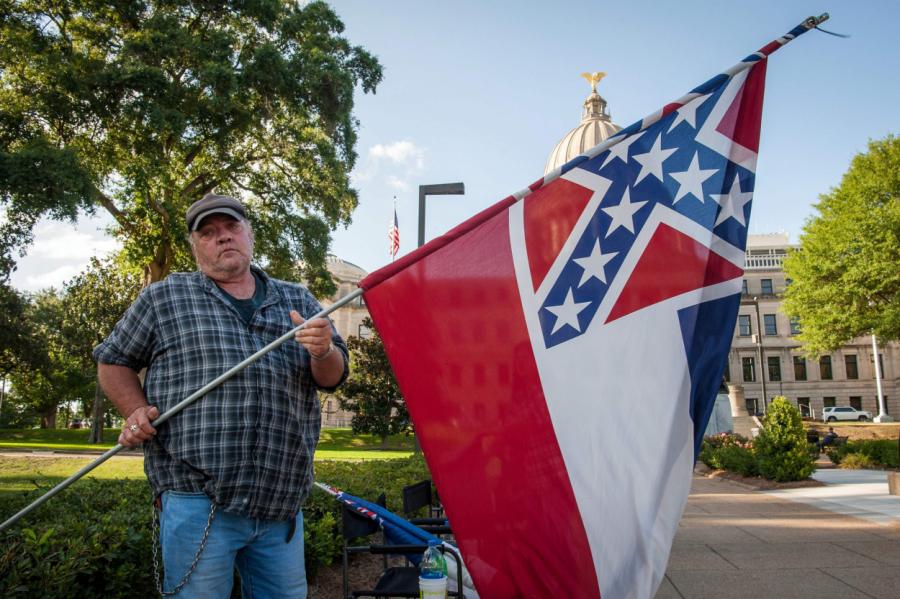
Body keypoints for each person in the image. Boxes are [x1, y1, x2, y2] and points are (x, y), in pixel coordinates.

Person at [94, 193, 348, 598]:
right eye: (209, 233)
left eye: (232, 228)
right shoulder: (166, 297)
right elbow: (113, 360)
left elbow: (332, 378)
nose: (223, 238)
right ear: (195, 246)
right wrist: (134, 409)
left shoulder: (296, 299)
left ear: (249, 234)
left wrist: (323, 350)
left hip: (280, 501)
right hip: (196, 500)